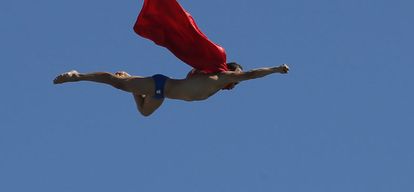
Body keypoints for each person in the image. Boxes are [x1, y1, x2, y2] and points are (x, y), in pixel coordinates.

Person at [53, 63, 289, 116]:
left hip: (160, 94)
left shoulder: (214, 85)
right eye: (235, 79)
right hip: (160, 84)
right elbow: (252, 74)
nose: (236, 84)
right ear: (230, 73)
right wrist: (276, 70)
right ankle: (78, 76)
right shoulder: (218, 77)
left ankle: (133, 87)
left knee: (144, 112)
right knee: (119, 84)